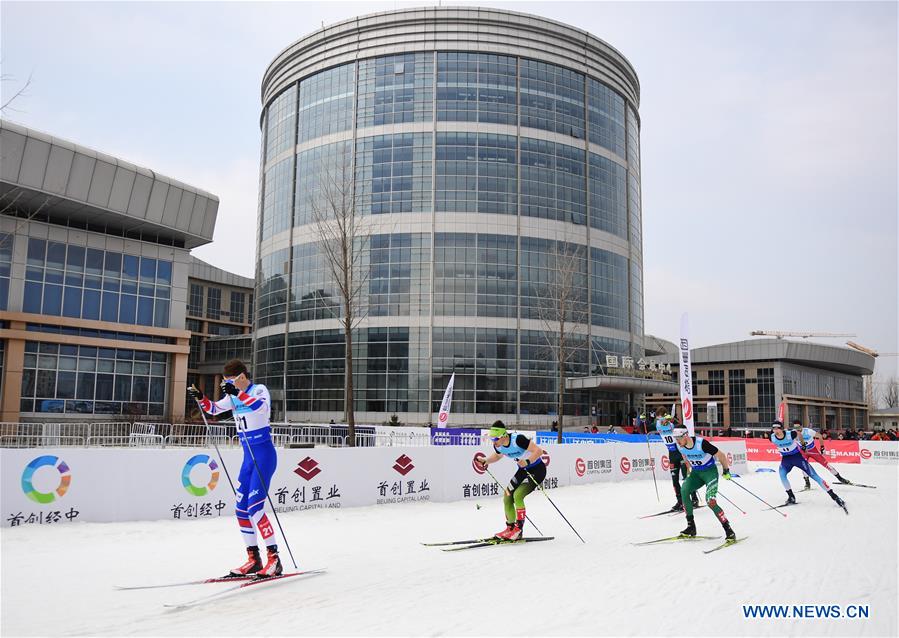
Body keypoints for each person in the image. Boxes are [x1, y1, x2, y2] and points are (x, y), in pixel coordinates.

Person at [188, 359, 282, 577]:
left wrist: (237, 394)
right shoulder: (233, 395)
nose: (227, 385)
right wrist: (201, 397)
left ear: (241, 376)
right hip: (248, 457)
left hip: (264, 455)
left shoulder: (258, 390)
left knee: (255, 508)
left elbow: (261, 408)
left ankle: (274, 559)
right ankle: (254, 559)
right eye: (225, 382)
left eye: (230, 381)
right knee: (241, 509)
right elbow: (213, 409)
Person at [476, 421, 547, 541]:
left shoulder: (518, 439)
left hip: (537, 470)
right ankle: (510, 528)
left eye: (495, 439)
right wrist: (485, 460)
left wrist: (527, 461)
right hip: (523, 470)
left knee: (518, 495)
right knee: (507, 495)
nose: (494, 442)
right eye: (492, 439)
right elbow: (498, 455)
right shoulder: (498, 445)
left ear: (504, 435)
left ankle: (518, 531)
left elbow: (538, 451)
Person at [672, 426, 735, 541]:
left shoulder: (701, 443)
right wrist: (689, 473)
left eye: (679, 439)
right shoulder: (680, 445)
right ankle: (691, 527)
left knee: (711, 501)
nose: (677, 442)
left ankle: (728, 530)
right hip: (696, 473)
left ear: (685, 435)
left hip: (710, 473)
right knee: (684, 491)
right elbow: (686, 459)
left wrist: (726, 470)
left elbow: (721, 455)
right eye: (675, 439)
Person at [770, 421, 846, 512]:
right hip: (786, 460)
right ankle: (791, 496)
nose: (775, 430)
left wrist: (803, 445)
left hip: (798, 458)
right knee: (782, 475)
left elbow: (799, 435)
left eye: (777, 428)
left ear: (781, 428)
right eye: (774, 428)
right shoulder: (772, 437)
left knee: (814, 476)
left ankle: (835, 497)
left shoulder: (791, 434)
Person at [652, 411, 699, 512]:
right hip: (672, 454)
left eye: (662, 418)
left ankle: (694, 499)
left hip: (680, 453)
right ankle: (680, 501)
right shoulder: (659, 425)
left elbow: (671, 427)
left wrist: (669, 421)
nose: (660, 421)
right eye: (659, 419)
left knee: (686, 478)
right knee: (674, 480)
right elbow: (659, 427)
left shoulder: (672, 426)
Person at [796, 420, 851, 486]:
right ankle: (807, 482)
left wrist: (822, 447)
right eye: (795, 427)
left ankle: (840, 478)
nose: (797, 429)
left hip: (813, 451)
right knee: (804, 466)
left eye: (798, 427)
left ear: (801, 426)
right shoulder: (794, 433)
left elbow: (819, 436)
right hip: (804, 452)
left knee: (826, 464)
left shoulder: (808, 431)